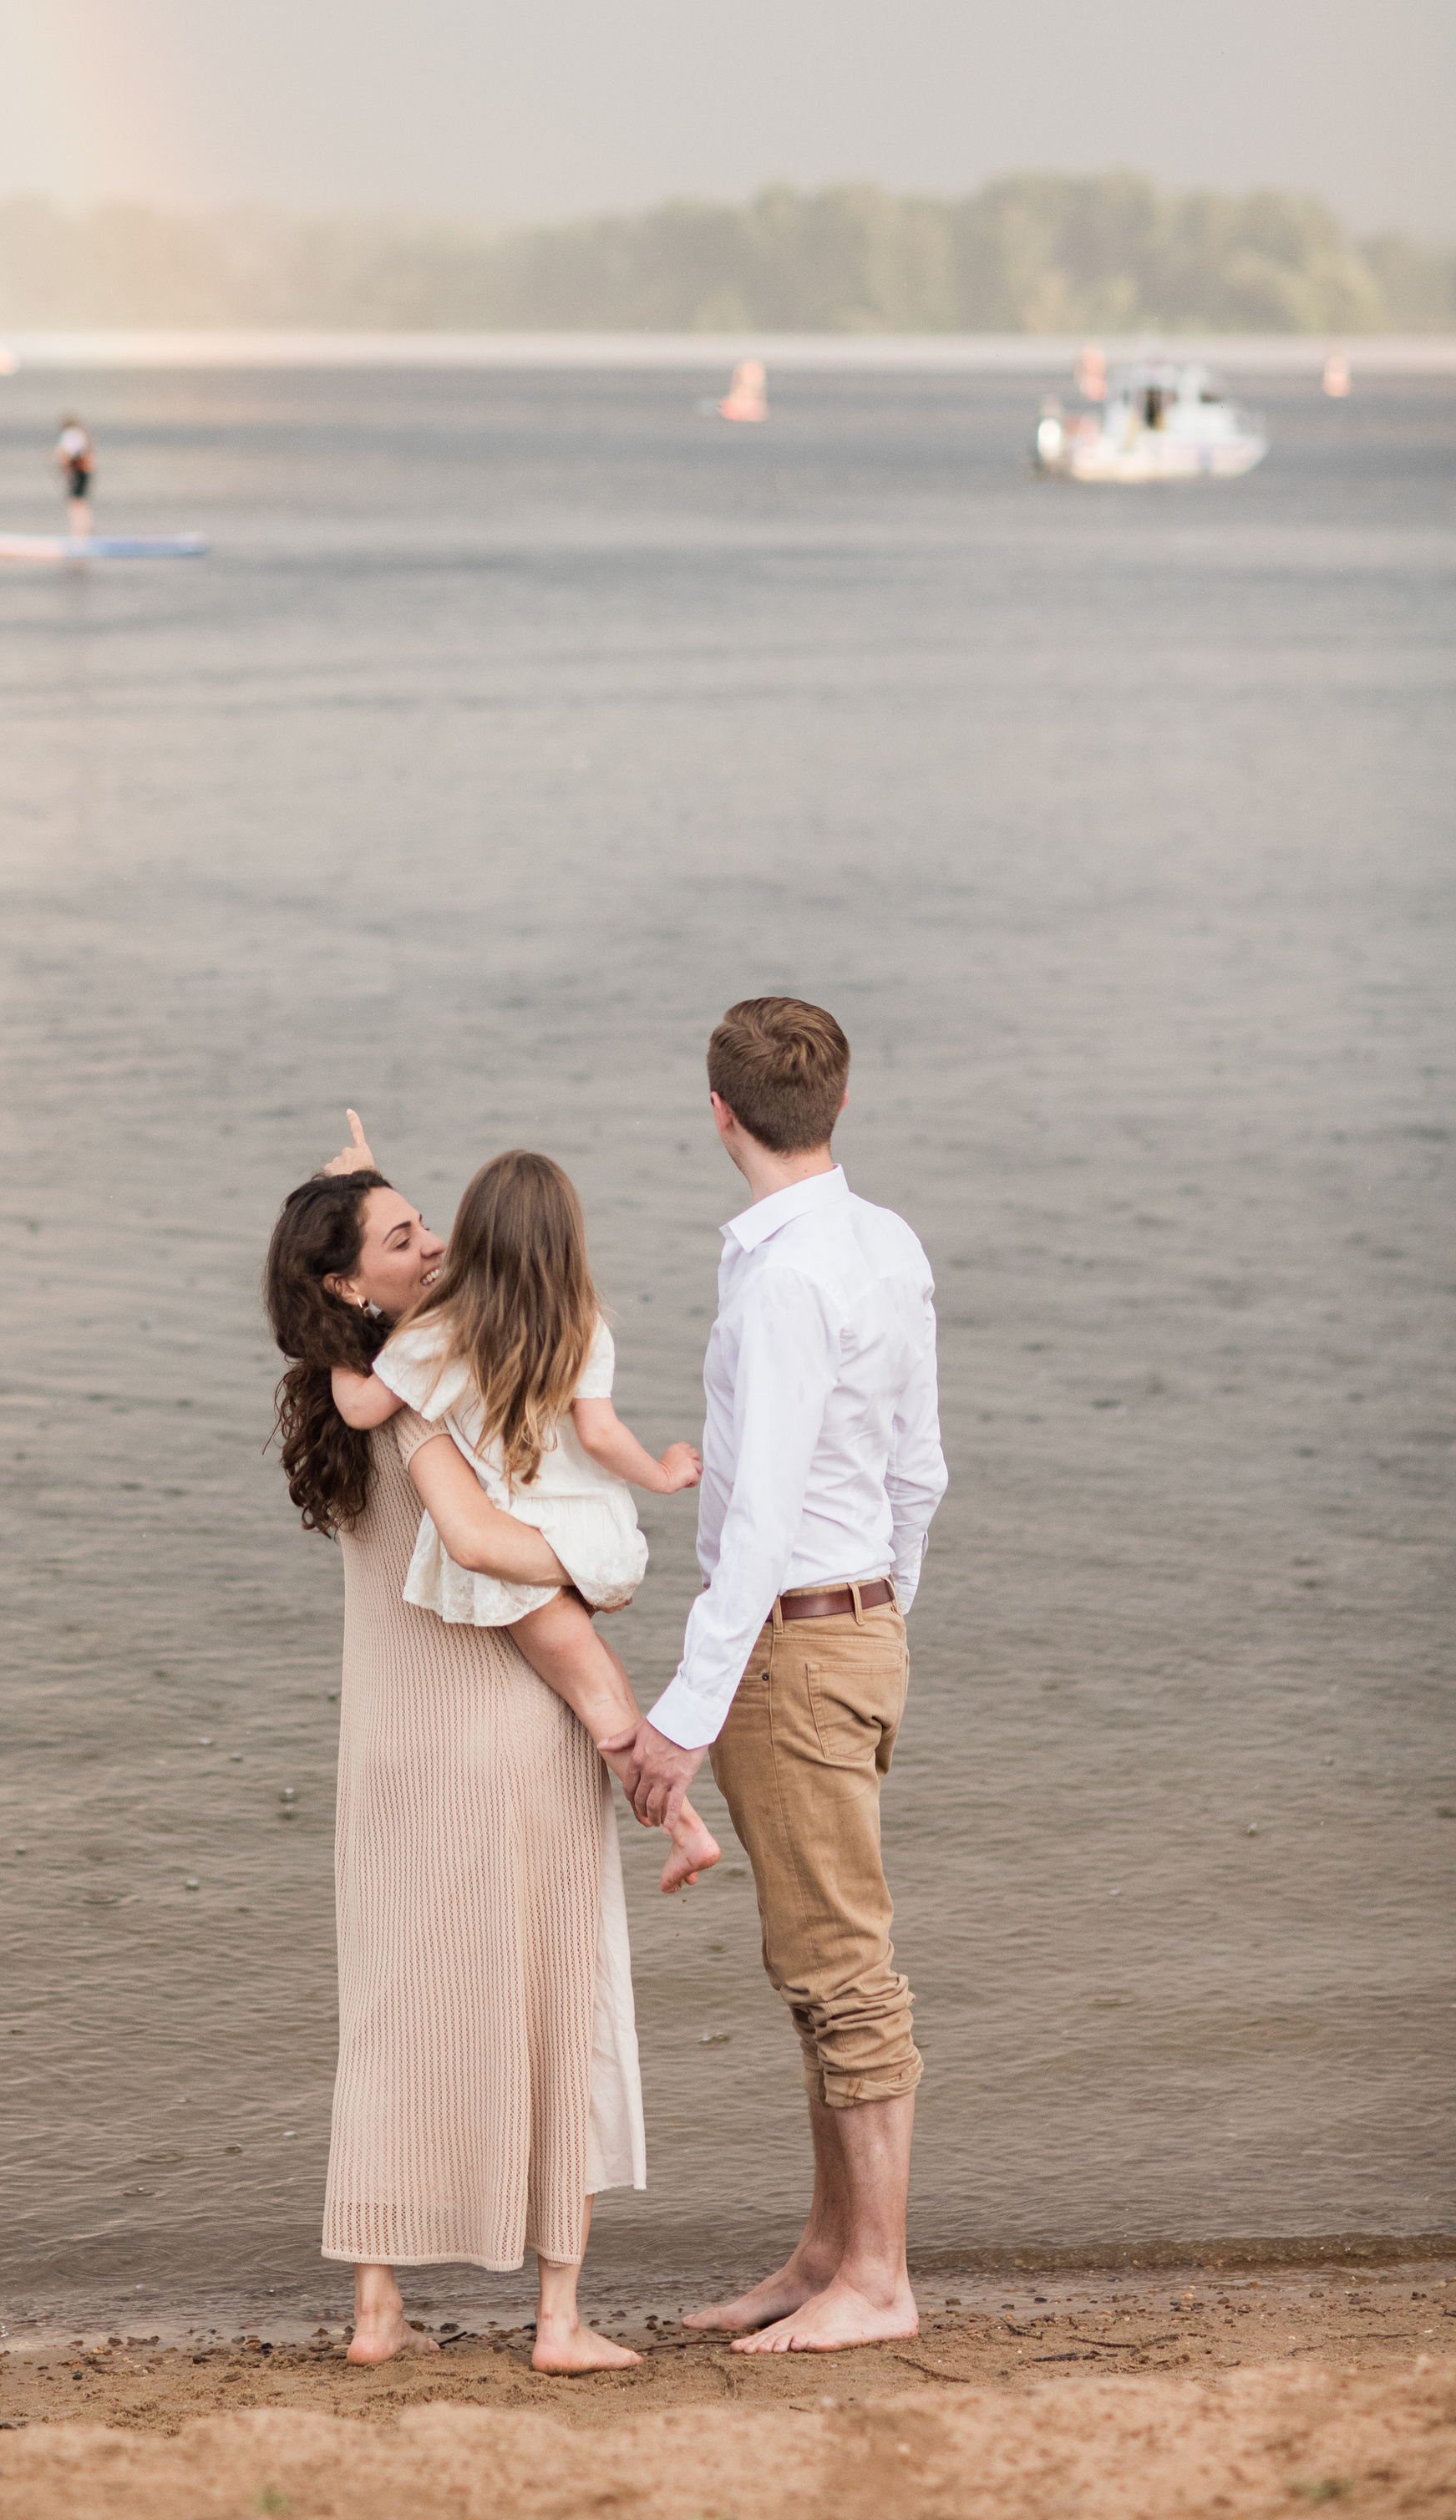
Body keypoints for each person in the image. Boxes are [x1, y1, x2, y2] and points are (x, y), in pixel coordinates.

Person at [264, 1126, 646, 2377]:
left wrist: (360, 1177)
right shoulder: (436, 1400)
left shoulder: (337, 1405)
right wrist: (607, 1559)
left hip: (384, 1750)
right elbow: (482, 1542)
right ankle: (558, 2319)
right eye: (403, 1240)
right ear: (344, 1287)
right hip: (499, 1736)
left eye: (432, 1225)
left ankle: (379, 2309)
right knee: (553, 2003)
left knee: (386, 2012)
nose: (435, 1248)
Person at [604, 997, 947, 2357]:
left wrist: (680, 1718)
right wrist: (884, 1612)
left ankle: (879, 2278)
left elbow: (756, 1527)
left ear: (718, 1115)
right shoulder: (882, 1243)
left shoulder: (789, 1278)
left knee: (842, 1967)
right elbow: (917, 1468)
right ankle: (829, 2250)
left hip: (796, 1642)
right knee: (813, 1958)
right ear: (840, 1105)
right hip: (851, 1628)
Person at [328, 1148, 721, 1893]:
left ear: (471, 1239)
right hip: (596, 1528)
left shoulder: (441, 1330)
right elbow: (602, 1437)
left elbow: (360, 1408)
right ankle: (688, 1824)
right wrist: (665, 1475)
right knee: (599, 1669)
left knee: (589, 1688)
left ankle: (684, 1827)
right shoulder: (583, 1323)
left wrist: (329, 1341)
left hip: (520, 1537)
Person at [53, 417, 96, 540]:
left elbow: (70, 452)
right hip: (82, 471)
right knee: (80, 501)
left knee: (76, 502)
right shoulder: (80, 434)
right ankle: (85, 530)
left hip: (79, 471)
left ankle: (80, 533)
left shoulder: (71, 434)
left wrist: (59, 456)